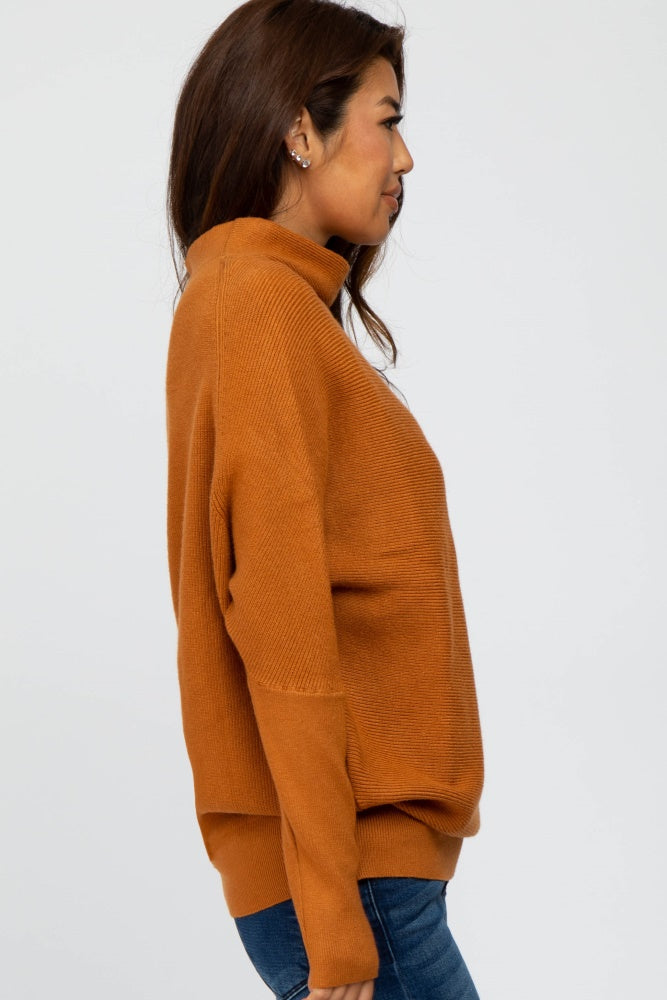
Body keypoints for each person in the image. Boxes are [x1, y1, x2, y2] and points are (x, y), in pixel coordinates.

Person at [165, 1, 484, 998]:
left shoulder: (270, 304)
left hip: (360, 871)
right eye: (387, 121)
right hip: (349, 879)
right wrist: (335, 917)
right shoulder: (255, 303)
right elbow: (279, 615)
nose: (405, 158)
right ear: (302, 129)